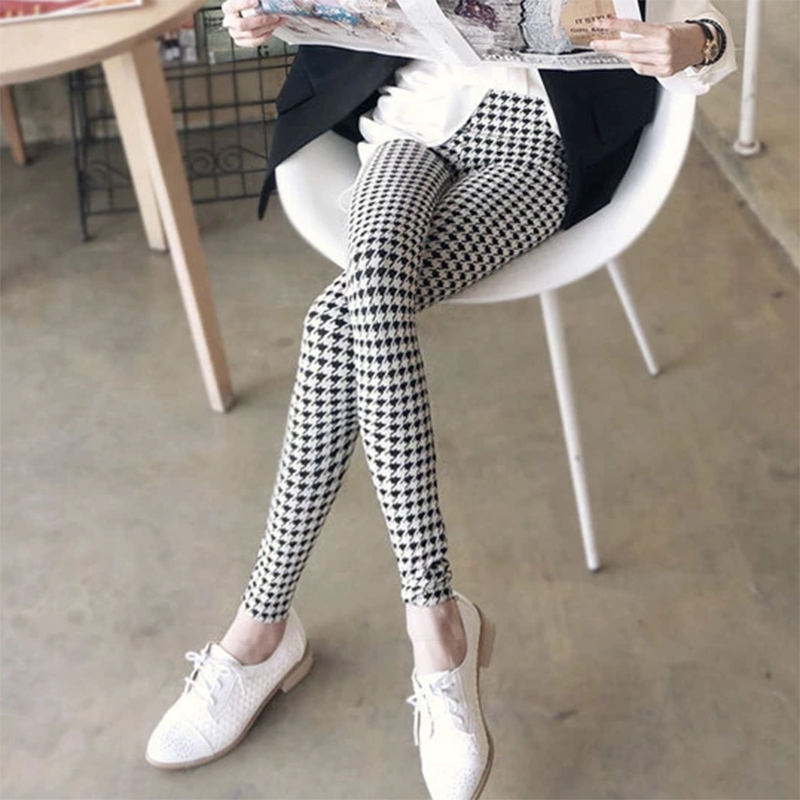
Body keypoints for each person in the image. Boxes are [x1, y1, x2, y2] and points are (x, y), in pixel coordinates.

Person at [145, 1, 735, 797]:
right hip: (413, 120)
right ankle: (438, 631)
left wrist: (695, 41)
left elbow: (701, 22)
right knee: (370, 284)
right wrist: (263, 16)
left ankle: (266, 630)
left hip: (539, 141)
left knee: (342, 316)